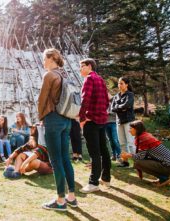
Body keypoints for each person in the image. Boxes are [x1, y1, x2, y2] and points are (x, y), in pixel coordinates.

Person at [38, 48, 76, 211]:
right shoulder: (64, 75)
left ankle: (60, 201)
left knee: (55, 160)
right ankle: (72, 197)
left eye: (44, 59)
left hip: (53, 119)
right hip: (67, 120)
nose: (42, 62)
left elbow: (42, 99)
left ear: (51, 58)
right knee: (65, 158)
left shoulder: (49, 75)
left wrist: (40, 118)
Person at [79, 58, 111, 194]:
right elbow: (107, 101)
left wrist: (82, 118)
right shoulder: (101, 80)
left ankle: (93, 183)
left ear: (90, 66)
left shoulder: (89, 79)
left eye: (82, 66)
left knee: (94, 153)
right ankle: (106, 178)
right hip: (102, 120)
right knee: (103, 150)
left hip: (91, 121)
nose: (80, 69)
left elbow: (85, 99)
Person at [121, 120, 170, 187]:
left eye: (131, 128)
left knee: (138, 163)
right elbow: (144, 155)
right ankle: (163, 177)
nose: (129, 131)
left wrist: (129, 155)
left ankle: (164, 178)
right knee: (138, 162)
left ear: (137, 129)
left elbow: (141, 156)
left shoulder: (143, 139)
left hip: (169, 166)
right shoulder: (145, 136)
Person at [111, 77, 136, 167]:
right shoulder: (116, 96)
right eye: (118, 83)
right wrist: (122, 108)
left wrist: (118, 107)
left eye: (121, 83)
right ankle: (125, 162)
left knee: (130, 143)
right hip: (119, 122)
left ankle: (137, 163)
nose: (119, 85)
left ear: (126, 84)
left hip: (128, 121)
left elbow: (128, 105)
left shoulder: (130, 95)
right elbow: (112, 108)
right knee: (122, 143)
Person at [106, 93, 121, 161]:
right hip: (106, 123)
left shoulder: (115, 101)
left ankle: (119, 155)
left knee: (115, 140)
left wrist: (109, 113)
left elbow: (118, 112)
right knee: (110, 140)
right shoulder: (103, 102)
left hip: (114, 123)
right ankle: (114, 155)